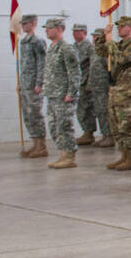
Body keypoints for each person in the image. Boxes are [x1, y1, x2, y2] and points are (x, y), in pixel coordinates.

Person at [96, 16, 131, 172]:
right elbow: (102, 51)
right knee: (117, 126)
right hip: (116, 91)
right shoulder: (119, 45)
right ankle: (123, 156)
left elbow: (121, 59)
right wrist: (104, 37)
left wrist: (110, 42)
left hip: (127, 92)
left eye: (122, 27)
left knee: (127, 126)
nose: (119, 29)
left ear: (130, 28)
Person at [41, 17, 81, 169]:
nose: (46, 30)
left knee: (64, 126)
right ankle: (63, 154)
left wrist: (72, 93)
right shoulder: (52, 47)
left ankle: (69, 156)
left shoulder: (66, 48)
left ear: (59, 29)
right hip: (52, 94)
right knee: (54, 126)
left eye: (49, 28)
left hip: (64, 95)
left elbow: (75, 72)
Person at [17, 13, 47, 158]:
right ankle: (35, 143)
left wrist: (39, 83)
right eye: (22, 24)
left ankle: (41, 146)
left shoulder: (37, 41)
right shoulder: (24, 42)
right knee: (28, 115)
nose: (23, 26)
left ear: (34, 23)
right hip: (25, 84)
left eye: (26, 23)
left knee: (36, 114)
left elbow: (42, 64)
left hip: (34, 85)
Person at [87, 28, 113, 149]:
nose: (94, 38)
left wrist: (110, 85)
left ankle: (110, 136)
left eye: (97, 36)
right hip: (95, 86)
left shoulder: (105, 51)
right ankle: (104, 135)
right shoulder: (94, 51)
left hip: (103, 87)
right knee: (99, 111)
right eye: (93, 36)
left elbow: (110, 69)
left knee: (105, 111)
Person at [71, 24, 96, 147]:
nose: (74, 34)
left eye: (77, 31)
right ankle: (86, 131)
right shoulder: (74, 46)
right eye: (74, 31)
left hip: (85, 82)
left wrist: (90, 84)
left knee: (86, 108)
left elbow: (93, 66)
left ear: (84, 32)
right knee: (80, 109)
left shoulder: (89, 46)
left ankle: (89, 132)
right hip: (77, 83)